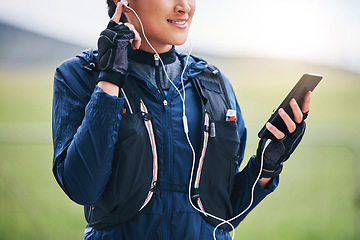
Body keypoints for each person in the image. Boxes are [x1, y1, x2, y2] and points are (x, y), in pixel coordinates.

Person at [52, 0, 312, 239]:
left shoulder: (215, 84)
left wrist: (266, 166)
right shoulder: (79, 74)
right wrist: (109, 79)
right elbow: (82, 188)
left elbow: (224, 215)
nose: (185, 6)